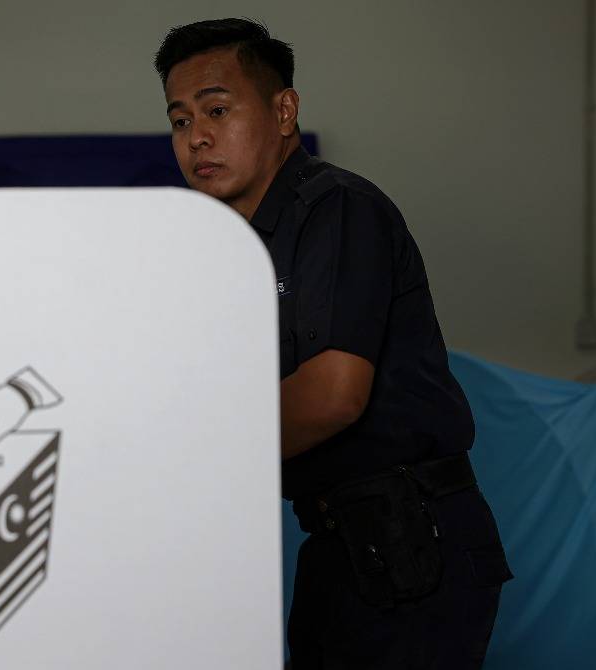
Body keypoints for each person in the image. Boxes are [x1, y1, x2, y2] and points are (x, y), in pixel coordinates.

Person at [153, 18, 513, 669]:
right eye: (180, 120)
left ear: (284, 111)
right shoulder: (234, 250)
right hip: (338, 543)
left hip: (412, 543)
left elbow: (334, 393)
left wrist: (189, 467)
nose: (197, 136)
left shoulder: (338, 209)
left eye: (217, 109)